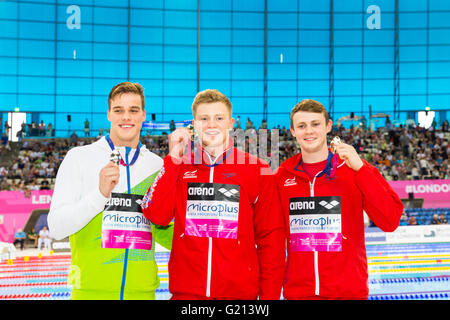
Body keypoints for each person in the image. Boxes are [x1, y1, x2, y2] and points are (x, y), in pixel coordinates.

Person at [141, 89, 285, 300]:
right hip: (187, 295)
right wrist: (172, 159)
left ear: (231, 123)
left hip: (239, 296)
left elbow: (271, 239)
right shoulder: (180, 167)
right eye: (204, 118)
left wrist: (269, 298)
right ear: (194, 124)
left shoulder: (256, 169)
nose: (211, 125)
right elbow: (156, 215)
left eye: (219, 118)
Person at [47, 82, 173, 300]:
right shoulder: (79, 157)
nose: (126, 117)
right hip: (90, 292)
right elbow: (56, 228)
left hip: (142, 293)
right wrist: (99, 195)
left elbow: (164, 230)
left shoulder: (157, 166)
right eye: (119, 110)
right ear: (108, 115)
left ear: (143, 115)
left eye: (133, 110)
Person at [274, 99, 403, 300]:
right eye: (301, 126)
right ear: (292, 131)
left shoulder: (354, 170)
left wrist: (362, 169)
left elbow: (391, 220)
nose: (309, 131)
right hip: (299, 294)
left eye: (315, 124)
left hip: (348, 292)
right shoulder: (282, 176)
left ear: (328, 126)